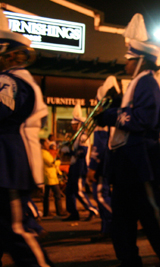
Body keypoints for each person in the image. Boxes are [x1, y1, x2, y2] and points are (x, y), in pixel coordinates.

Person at [96, 13, 160, 266]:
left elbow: (142, 120)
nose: (125, 64)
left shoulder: (147, 83)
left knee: (152, 220)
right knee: (121, 225)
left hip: (139, 164)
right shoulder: (136, 84)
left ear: (141, 60)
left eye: (129, 60)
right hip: (127, 165)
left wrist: (111, 115)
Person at [0, 10, 54, 266]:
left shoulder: (8, 81)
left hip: (7, 164)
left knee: (17, 232)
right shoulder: (18, 80)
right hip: (8, 164)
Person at [87, 76, 120, 241]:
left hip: (104, 163)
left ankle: (118, 224)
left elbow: (99, 145)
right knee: (106, 195)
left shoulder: (104, 116)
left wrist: (92, 167)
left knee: (100, 195)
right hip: (111, 160)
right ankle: (107, 229)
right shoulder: (115, 113)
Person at [62, 104, 99, 221]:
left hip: (80, 166)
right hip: (74, 166)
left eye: (74, 124)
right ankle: (73, 213)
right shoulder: (77, 137)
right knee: (69, 191)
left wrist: (69, 152)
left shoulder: (83, 136)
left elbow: (82, 152)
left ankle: (92, 209)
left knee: (78, 191)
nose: (72, 126)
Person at [40, 138, 65, 217]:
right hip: (50, 176)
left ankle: (46, 212)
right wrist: (59, 161)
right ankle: (59, 211)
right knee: (57, 194)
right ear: (43, 145)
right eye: (46, 143)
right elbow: (52, 163)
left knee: (46, 196)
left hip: (48, 176)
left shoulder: (44, 152)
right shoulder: (44, 153)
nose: (48, 145)